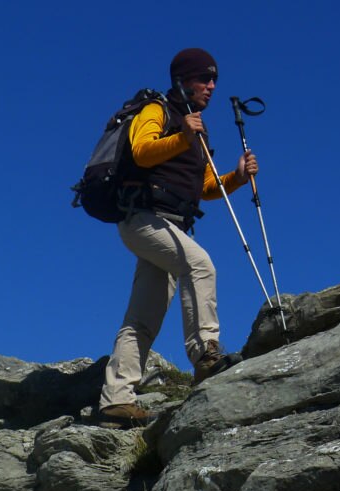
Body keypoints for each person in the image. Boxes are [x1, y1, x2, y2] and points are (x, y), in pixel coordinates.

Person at [98, 48, 259, 428]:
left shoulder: (195, 128)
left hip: (168, 225)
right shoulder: (157, 111)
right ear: (182, 80)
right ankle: (206, 355)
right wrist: (183, 136)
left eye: (214, 79)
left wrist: (236, 176)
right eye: (204, 78)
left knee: (143, 317)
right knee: (200, 265)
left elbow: (204, 188)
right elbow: (141, 150)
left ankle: (115, 400)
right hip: (143, 218)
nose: (211, 86)